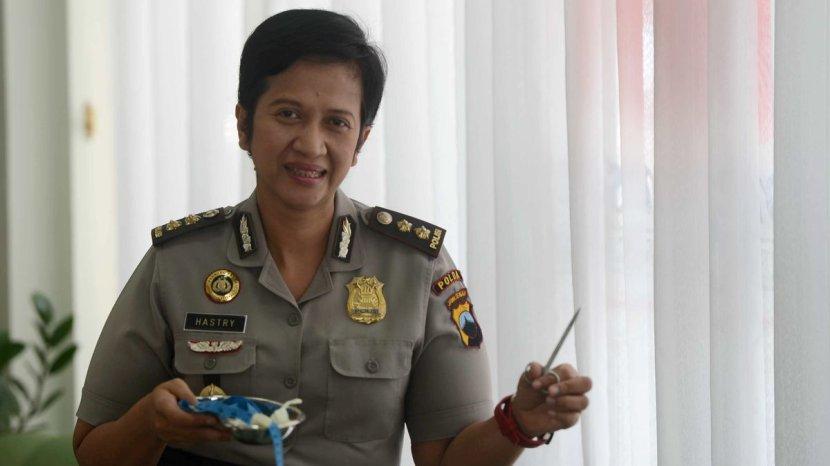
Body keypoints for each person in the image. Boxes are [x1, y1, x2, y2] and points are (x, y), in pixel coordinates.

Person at [72, 9, 592, 466]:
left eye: (337, 123)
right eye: (288, 114)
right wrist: (150, 422)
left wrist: (519, 422)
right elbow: (91, 450)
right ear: (244, 124)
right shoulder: (178, 262)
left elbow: (447, 457)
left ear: (360, 141)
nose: (311, 144)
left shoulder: (415, 267)